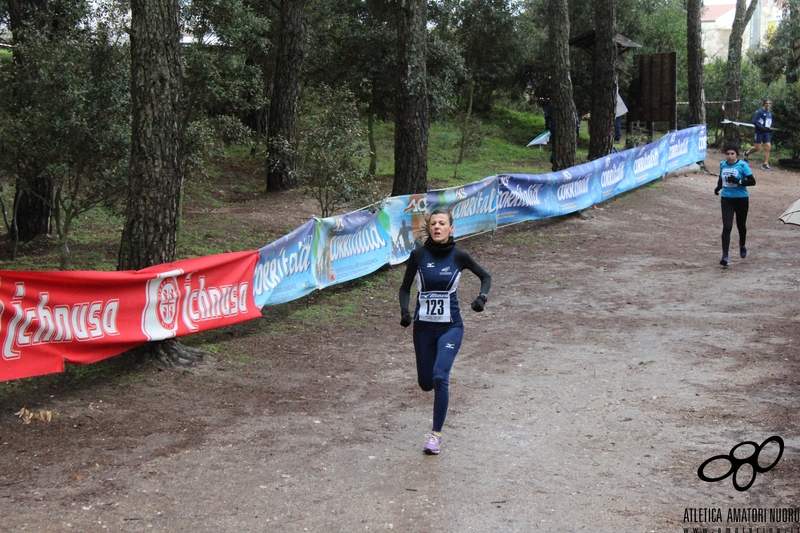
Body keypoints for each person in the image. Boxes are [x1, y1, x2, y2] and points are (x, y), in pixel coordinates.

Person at [398, 208, 492, 455]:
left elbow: (486, 277)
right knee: (426, 383)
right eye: (433, 224)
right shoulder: (418, 255)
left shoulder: (459, 256)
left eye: (442, 223)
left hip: (451, 327)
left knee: (440, 377)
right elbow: (405, 288)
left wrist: (481, 298)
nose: (437, 227)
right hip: (423, 330)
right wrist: (404, 312)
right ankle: (434, 405)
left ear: (452, 229)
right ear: (428, 228)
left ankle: (435, 435)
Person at [715, 142, 756, 266]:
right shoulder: (723, 165)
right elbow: (721, 178)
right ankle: (725, 255)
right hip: (726, 198)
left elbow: (752, 182)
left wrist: (738, 181)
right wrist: (718, 188)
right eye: (727, 154)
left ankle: (742, 244)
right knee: (727, 227)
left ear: (736, 155)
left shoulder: (743, 165)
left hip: (741, 199)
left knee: (741, 225)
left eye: (732, 154)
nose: (729, 156)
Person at [743, 99, 773, 171]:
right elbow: (754, 121)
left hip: (766, 133)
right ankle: (746, 153)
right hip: (759, 132)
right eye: (766, 103)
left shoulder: (769, 113)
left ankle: (765, 164)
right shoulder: (760, 112)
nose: (768, 104)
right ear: (764, 104)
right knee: (757, 148)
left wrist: (768, 128)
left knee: (768, 147)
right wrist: (762, 128)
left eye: (769, 103)